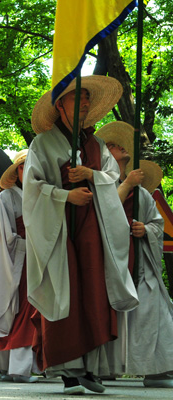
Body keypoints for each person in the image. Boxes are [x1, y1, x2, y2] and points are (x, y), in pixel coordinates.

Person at [23, 75, 139, 395]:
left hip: (90, 227)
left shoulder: (95, 144)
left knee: (92, 293)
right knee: (65, 291)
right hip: (57, 231)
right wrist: (65, 196)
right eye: (79, 98)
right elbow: (32, 191)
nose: (85, 103)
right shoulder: (43, 144)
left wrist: (89, 175)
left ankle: (91, 366)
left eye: (88, 97)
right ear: (60, 105)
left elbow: (112, 177)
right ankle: (68, 370)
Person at [97, 121, 173, 388]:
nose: (120, 147)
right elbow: (105, 213)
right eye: (113, 146)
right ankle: (107, 367)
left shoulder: (142, 193)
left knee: (155, 310)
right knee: (110, 316)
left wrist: (146, 230)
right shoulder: (100, 184)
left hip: (141, 264)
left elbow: (156, 223)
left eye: (120, 145)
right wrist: (127, 183)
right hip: (112, 262)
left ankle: (157, 368)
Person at [0, 150, 39, 383]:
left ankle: (12, 366)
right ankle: (18, 368)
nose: (27, 170)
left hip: (37, 260)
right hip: (16, 261)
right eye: (22, 166)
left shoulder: (41, 195)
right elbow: (2, 236)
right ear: (16, 172)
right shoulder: (7, 198)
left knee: (29, 310)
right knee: (19, 309)